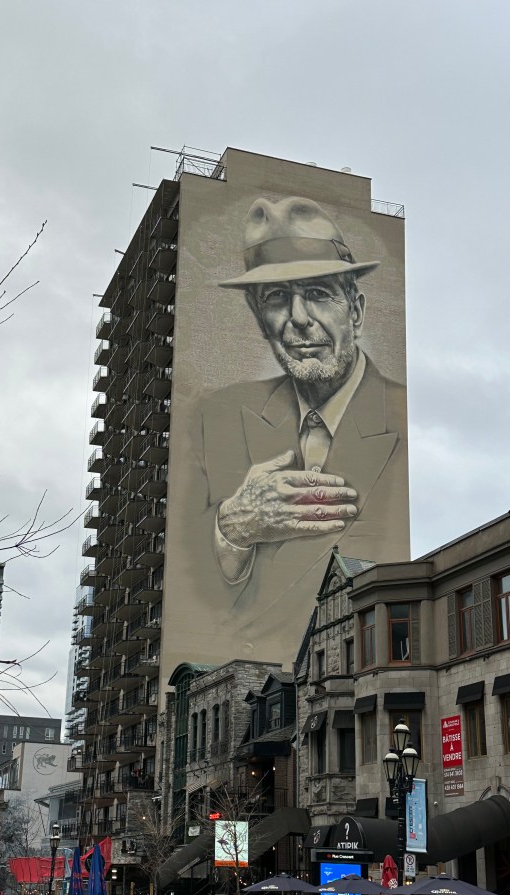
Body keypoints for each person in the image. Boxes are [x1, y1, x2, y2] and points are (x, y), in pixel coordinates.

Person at [187, 196, 408, 655]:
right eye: (277, 297)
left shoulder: (400, 416)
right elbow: (196, 582)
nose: (300, 319)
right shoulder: (218, 415)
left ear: (356, 311)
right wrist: (232, 529)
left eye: (320, 293)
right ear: (258, 316)